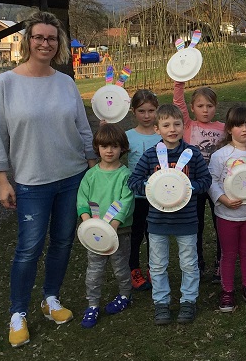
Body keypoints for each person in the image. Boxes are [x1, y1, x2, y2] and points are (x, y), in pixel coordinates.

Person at [0, 11, 95, 348]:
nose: (45, 43)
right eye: (39, 37)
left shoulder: (66, 82)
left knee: (63, 242)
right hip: (32, 181)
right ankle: (18, 313)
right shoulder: (5, 83)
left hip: (73, 175)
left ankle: (51, 300)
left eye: (51, 38)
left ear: (58, 42)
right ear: (27, 41)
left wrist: (93, 168)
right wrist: (3, 181)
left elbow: (82, 128)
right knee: (28, 248)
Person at [127, 104, 212, 325]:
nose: (172, 129)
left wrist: (188, 186)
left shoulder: (192, 155)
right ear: (157, 129)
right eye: (166, 125)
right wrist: (151, 186)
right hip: (157, 221)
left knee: (189, 263)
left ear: (184, 126)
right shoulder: (150, 155)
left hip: (186, 221)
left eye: (177, 124)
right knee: (157, 265)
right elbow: (133, 182)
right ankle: (161, 302)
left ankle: (188, 301)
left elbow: (206, 181)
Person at [208, 106, 246, 312]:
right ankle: (227, 290)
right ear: (229, 129)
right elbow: (213, 181)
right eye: (239, 125)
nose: (244, 129)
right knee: (228, 252)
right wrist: (222, 199)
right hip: (227, 215)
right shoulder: (220, 156)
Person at [76, 123, 135, 328]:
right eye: (104, 146)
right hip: (95, 235)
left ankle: (125, 295)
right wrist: (88, 223)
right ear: (97, 148)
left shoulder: (125, 175)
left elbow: (126, 201)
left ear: (122, 148)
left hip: (120, 232)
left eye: (114, 146)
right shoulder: (91, 175)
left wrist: (114, 225)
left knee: (120, 267)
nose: (109, 151)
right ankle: (92, 304)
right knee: (94, 270)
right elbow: (82, 199)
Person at [174, 82, 225, 280]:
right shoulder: (188, 125)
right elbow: (178, 102)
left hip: (216, 183)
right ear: (193, 107)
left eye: (209, 106)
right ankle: (197, 262)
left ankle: (221, 261)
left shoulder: (223, 128)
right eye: (200, 106)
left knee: (220, 222)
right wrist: (179, 81)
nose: (205, 110)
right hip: (192, 184)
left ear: (216, 107)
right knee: (195, 224)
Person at [126, 89, 161, 292]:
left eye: (151, 111)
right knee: (136, 234)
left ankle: (152, 268)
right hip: (137, 196)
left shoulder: (162, 136)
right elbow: (109, 151)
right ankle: (134, 269)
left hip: (157, 197)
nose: (147, 116)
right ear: (133, 112)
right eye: (142, 111)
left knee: (154, 235)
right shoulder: (128, 137)